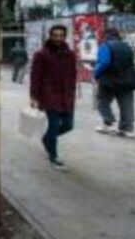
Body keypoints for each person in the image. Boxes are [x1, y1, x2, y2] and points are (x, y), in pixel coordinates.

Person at [30, 25, 77, 171]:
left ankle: (47, 139)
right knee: (54, 125)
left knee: (68, 125)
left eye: (61, 35)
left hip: (67, 95)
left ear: (65, 36)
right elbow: (35, 76)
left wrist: (73, 91)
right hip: (49, 94)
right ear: (50, 36)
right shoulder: (41, 54)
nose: (58, 38)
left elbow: (73, 74)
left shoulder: (70, 54)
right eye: (55, 35)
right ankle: (54, 156)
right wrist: (34, 96)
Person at [94, 28, 135, 138]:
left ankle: (109, 123)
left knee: (102, 101)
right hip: (127, 80)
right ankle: (127, 129)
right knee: (126, 104)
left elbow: (104, 62)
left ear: (106, 35)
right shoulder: (126, 46)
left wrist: (96, 74)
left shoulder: (106, 46)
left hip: (109, 80)